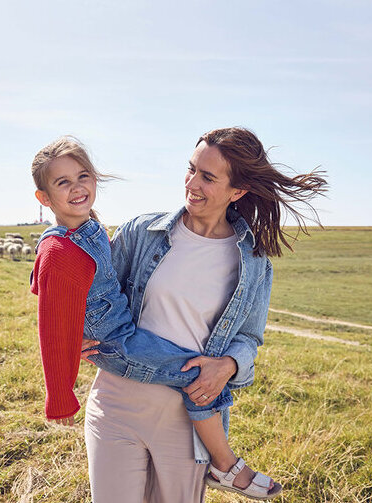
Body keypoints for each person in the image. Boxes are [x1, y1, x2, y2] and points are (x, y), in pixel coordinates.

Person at [28, 134, 294, 500]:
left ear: (238, 191)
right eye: (191, 169)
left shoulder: (253, 262)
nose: (192, 184)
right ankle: (228, 462)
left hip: (186, 423)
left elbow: (249, 339)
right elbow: (92, 296)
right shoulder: (142, 232)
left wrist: (230, 365)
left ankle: (222, 462)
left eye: (208, 177)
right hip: (115, 406)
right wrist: (69, 340)